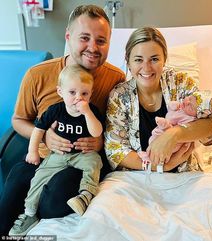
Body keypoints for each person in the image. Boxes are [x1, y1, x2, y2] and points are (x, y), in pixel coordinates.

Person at [0, 4, 125, 236]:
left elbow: (120, 128)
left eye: (101, 40)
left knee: (54, 201)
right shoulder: (38, 74)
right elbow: (18, 120)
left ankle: (36, 216)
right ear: (68, 37)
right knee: (17, 184)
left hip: (81, 160)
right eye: (84, 38)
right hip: (43, 157)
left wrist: (99, 143)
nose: (93, 47)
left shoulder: (116, 79)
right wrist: (44, 135)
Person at [104, 27, 212, 173]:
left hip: (184, 174)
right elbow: (115, 150)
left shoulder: (181, 82)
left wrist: (174, 134)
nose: (146, 68)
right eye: (138, 60)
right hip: (138, 177)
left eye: (154, 59)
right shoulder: (119, 96)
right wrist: (159, 167)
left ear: (164, 60)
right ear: (128, 62)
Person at [9, 65, 103, 235]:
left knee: (95, 162)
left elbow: (97, 132)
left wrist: (88, 113)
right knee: (39, 177)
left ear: (91, 93)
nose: (78, 98)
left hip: (82, 154)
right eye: (72, 92)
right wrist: (33, 151)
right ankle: (29, 213)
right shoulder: (55, 110)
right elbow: (39, 130)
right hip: (58, 154)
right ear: (60, 92)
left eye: (84, 93)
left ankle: (86, 195)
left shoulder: (91, 110)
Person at [138, 91, 212, 171]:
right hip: (142, 169)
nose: (187, 102)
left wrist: (173, 134)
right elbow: (123, 155)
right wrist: (163, 166)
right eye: (189, 98)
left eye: (191, 106)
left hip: (184, 170)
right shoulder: (125, 92)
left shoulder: (183, 82)